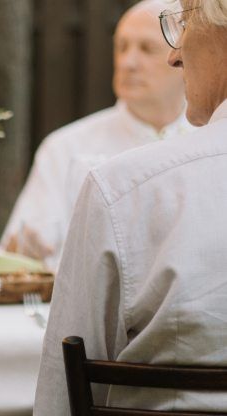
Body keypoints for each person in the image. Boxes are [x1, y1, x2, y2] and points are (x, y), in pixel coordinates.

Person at [35, 0, 227, 413]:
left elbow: (63, 387)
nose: (175, 54)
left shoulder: (121, 186)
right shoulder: (77, 154)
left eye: (186, 24)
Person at [0, 0, 193, 269]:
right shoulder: (65, 148)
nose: (128, 62)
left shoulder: (210, 142)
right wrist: (23, 249)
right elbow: (24, 248)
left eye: (147, 48)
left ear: (183, 58)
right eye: (122, 47)